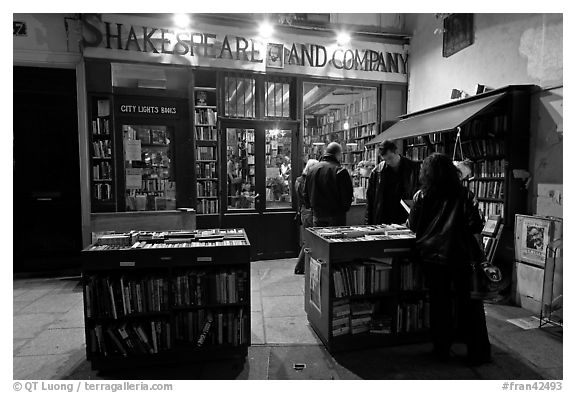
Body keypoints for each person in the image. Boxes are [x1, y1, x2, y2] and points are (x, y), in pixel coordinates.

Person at [407, 153, 491, 366]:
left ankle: (442, 349)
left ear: (427, 173)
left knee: (439, 304)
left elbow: (413, 227)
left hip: (432, 257)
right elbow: (475, 226)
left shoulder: (421, 196)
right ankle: (477, 353)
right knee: (470, 305)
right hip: (461, 256)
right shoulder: (465, 195)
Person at [365, 140, 419, 225]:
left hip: (405, 216)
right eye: (385, 160)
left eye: (390, 158)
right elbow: (370, 201)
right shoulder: (377, 172)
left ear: (396, 152)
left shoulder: (413, 169)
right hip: (384, 217)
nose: (388, 162)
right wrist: (368, 224)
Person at [304, 142, 353, 227]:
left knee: (319, 239)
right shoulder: (340, 171)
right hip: (336, 215)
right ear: (338, 154)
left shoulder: (312, 170)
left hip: (317, 215)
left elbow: (306, 193)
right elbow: (347, 195)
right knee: (335, 239)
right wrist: (343, 209)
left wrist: (312, 207)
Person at [294, 159, 318, 275]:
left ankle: (303, 266)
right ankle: (299, 266)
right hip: (310, 212)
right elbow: (309, 197)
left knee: (307, 240)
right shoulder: (309, 181)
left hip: (303, 211)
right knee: (309, 240)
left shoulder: (298, 180)